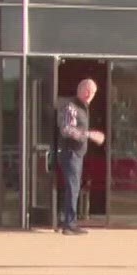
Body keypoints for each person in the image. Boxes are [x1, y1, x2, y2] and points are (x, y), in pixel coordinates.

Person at [54, 78, 104, 235]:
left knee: (74, 187)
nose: (92, 95)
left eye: (94, 92)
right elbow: (67, 129)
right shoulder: (71, 107)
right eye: (91, 92)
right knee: (72, 187)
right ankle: (69, 224)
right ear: (84, 91)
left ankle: (70, 222)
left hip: (77, 153)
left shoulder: (83, 108)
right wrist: (89, 134)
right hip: (70, 153)